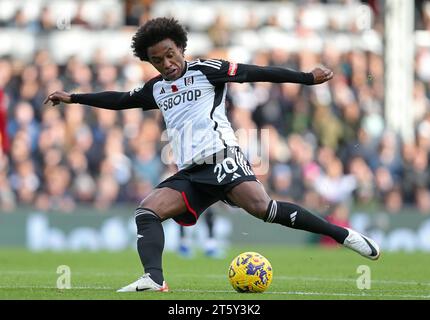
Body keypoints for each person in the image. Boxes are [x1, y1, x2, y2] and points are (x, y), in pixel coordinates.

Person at [44, 17, 380, 293]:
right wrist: (73, 98)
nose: (167, 63)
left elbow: (254, 72)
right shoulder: (156, 88)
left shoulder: (208, 70)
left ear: (181, 48)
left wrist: (306, 78)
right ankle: (154, 278)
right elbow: (119, 100)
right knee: (146, 211)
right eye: (157, 60)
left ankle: (343, 235)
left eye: (170, 54)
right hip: (191, 171)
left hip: (221, 157)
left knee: (265, 209)